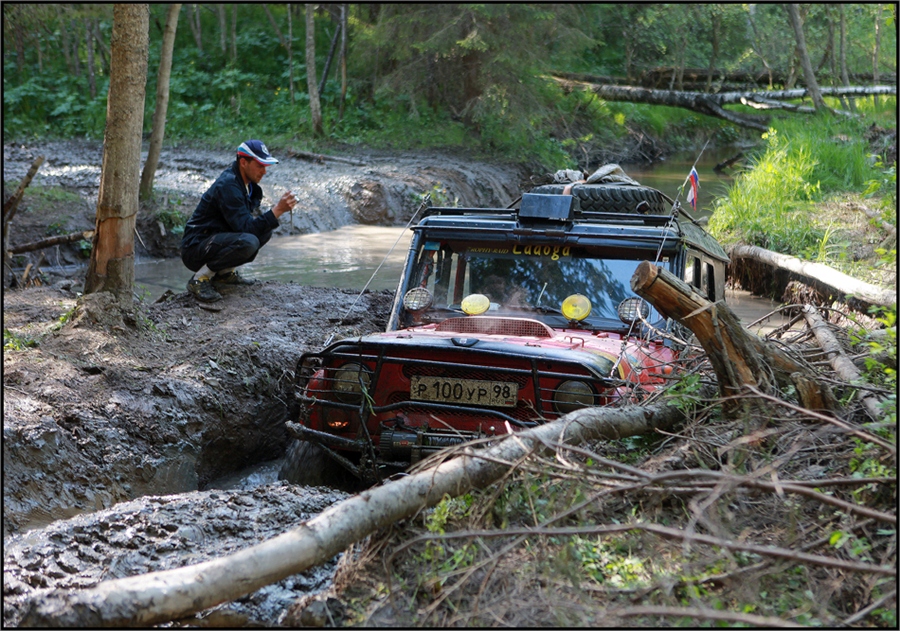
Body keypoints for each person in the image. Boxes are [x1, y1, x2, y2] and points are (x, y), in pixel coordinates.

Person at [181, 139, 298, 302]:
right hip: (195, 247)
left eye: (265, 166)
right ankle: (200, 278)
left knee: (264, 231)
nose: (264, 171)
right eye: (260, 165)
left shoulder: (248, 186)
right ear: (243, 162)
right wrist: (278, 210)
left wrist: (273, 215)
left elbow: (245, 225)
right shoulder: (228, 185)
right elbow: (247, 230)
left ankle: (225, 274)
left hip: (215, 240)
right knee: (249, 241)